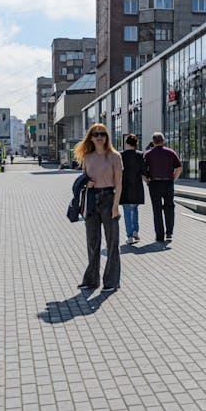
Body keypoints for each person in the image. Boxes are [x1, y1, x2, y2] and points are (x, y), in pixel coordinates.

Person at [73, 124, 122, 290]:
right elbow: (83, 178)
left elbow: (119, 183)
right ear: (91, 138)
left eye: (102, 133)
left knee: (112, 242)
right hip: (92, 200)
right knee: (92, 242)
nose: (99, 136)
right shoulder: (87, 157)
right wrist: (87, 182)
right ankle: (91, 280)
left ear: (107, 136)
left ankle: (111, 282)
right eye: (96, 134)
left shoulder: (114, 156)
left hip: (109, 199)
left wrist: (116, 205)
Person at [143, 132, 182, 243]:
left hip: (154, 183)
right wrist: (173, 179)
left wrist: (148, 182)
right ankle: (169, 232)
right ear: (163, 141)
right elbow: (179, 168)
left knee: (157, 210)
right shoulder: (171, 153)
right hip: (168, 183)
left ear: (153, 142)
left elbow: (143, 172)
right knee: (169, 207)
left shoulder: (148, 154)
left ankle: (159, 236)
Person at [119, 133, 145, 244]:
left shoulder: (120, 155)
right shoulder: (140, 155)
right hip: (137, 187)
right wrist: (148, 182)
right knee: (135, 209)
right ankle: (135, 231)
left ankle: (129, 236)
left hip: (125, 187)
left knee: (127, 212)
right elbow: (143, 172)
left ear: (126, 143)